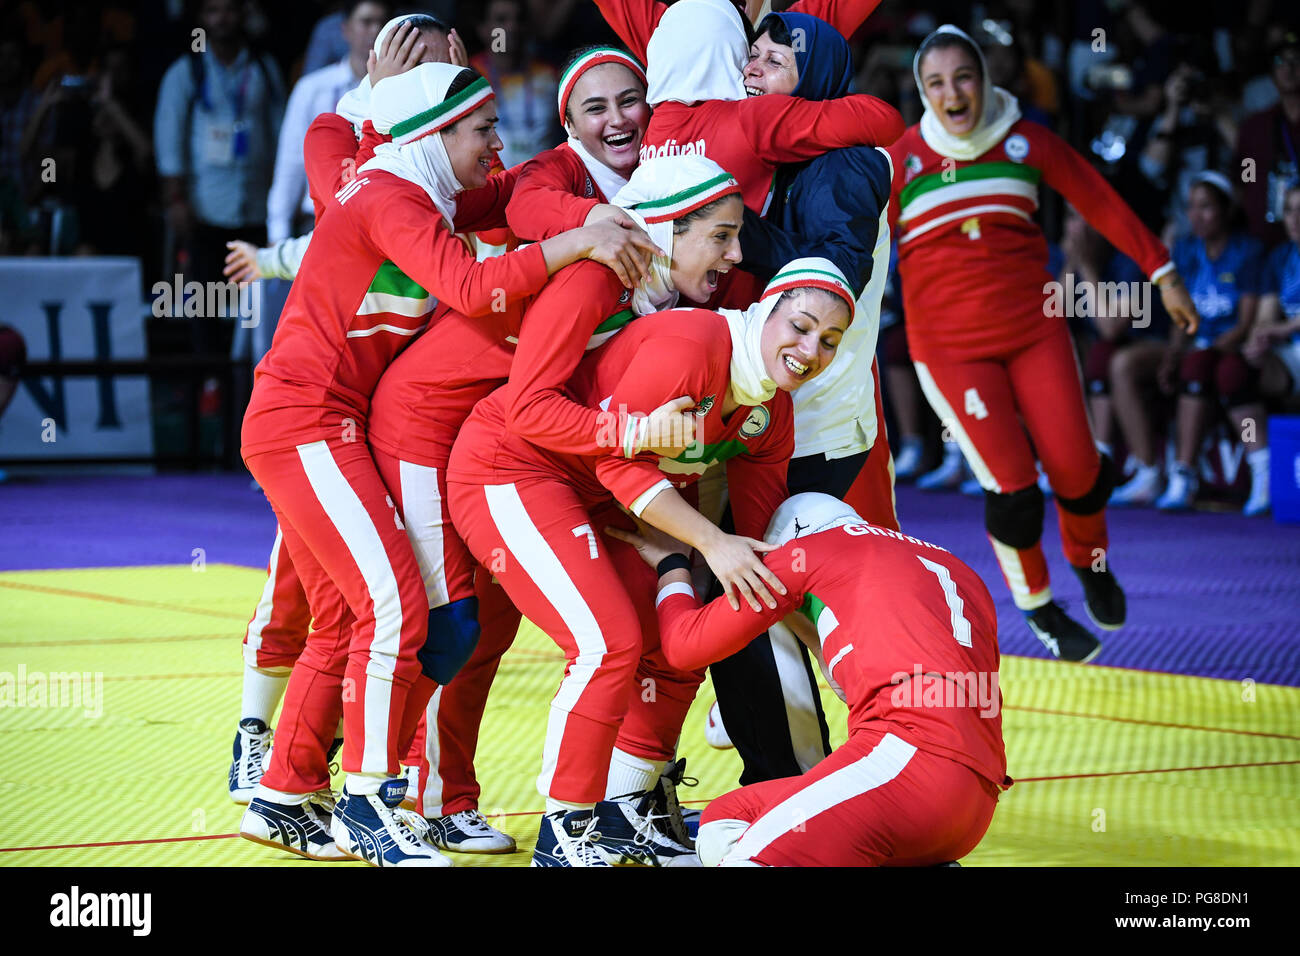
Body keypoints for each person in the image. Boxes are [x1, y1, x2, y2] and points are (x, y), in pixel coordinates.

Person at [236, 61, 657, 867]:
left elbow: (504, 199)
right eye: (482, 129)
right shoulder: (393, 196)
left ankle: (283, 794)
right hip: (309, 420)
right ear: (432, 132)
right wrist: (582, 238)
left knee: (349, 618)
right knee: (397, 607)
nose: (497, 145)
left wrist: (577, 202)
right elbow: (469, 285)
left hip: (323, 419)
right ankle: (369, 801)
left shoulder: (409, 188)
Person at [364, 154, 728, 852]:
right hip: (432, 429)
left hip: (515, 444)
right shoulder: (599, 266)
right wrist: (586, 222)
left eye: (631, 101)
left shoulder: (647, 281)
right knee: (445, 625)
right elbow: (535, 401)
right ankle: (374, 793)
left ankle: (456, 796)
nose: (616, 119)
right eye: (720, 235)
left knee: (498, 631)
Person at [446, 259, 858, 865]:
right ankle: (564, 833)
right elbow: (620, 462)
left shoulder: (772, 411)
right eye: (799, 326)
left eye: (829, 341)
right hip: (513, 468)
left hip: (603, 499)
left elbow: (759, 534)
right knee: (605, 642)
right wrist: (710, 545)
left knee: (684, 639)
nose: (809, 350)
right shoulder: (693, 344)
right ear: (765, 310)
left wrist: (826, 637)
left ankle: (624, 809)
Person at [889, 25, 1200, 664]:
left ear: (986, 78)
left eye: (964, 76)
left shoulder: (1026, 138)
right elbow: (855, 249)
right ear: (922, 92)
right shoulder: (902, 161)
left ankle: (1091, 565)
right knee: (1014, 490)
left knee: (1079, 470)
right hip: (951, 351)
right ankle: (1037, 606)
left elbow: (1101, 201)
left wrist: (1162, 274)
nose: (954, 92)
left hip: (1034, 332)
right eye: (937, 83)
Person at [225, 16, 455, 807]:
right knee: (304, 588)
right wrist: (384, 102)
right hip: (314, 411)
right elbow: (338, 204)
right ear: (382, 69)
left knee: (346, 605)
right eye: (417, 67)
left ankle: (305, 779)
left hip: (369, 420)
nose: (438, 80)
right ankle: (260, 743)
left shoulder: (454, 166)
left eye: (447, 67)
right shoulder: (337, 132)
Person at [696, 9, 900, 786]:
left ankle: (788, 780)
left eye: (773, 59)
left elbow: (830, 276)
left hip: (811, 423)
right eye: (752, 54)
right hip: (789, 415)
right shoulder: (798, 151)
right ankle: (805, 768)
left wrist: (727, 226)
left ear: (813, 79)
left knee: (753, 593)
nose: (753, 67)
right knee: (762, 592)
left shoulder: (846, 161)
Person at [608, 492, 1009, 866]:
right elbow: (855, 681)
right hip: (974, 802)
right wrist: (796, 614)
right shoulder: (954, 569)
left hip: (903, 765)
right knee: (724, 818)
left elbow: (684, 647)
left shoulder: (810, 551)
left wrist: (670, 565)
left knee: (741, 853)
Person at [153, 0, 286, 351]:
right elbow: (170, 140)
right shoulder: (186, 71)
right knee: (207, 308)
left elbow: (282, 138)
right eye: (212, 10)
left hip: (256, 210)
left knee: (258, 311)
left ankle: (253, 389)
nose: (222, 18)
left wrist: (281, 201)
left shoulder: (263, 68)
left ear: (243, 14)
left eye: (229, 9)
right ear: (201, 18)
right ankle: (208, 387)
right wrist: (177, 200)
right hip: (205, 210)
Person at [1142, 173, 1267, 514]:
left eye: (1206, 207)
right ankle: (1182, 475)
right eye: (1191, 207)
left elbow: (1244, 323)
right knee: (1190, 368)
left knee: (1224, 372)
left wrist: (1203, 352)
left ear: (1226, 210)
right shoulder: (1184, 250)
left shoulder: (1248, 250)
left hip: (1236, 348)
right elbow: (1182, 316)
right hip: (1199, 350)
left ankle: (1263, 475)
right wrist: (1172, 355)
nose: (1196, 216)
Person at [265, 0, 391, 247]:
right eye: (366, 22)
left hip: (379, 223)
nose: (374, 31)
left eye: (382, 23)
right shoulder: (312, 88)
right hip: (316, 220)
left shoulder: (400, 90)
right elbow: (290, 163)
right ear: (346, 29)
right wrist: (277, 233)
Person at [505, 45, 649, 239]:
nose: (617, 120)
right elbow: (523, 206)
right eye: (596, 108)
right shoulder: (560, 162)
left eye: (629, 101)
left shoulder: (668, 147)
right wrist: (598, 214)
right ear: (570, 125)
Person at [1245, 182, 1300, 471]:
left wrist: (1282, 329)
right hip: (1291, 356)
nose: (1295, 219)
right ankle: (1261, 466)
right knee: (1236, 374)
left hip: (1292, 343)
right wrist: (1260, 337)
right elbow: (1265, 315)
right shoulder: (1280, 257)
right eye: (1289, 210)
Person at [1236, 31, 1300, 247]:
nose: (1289, 69)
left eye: (1296, 61)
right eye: (1281, 62)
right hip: (1265, 236)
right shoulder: (1256, 126)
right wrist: (1252, 193)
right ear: (1272, 73)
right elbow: (1246, 168)